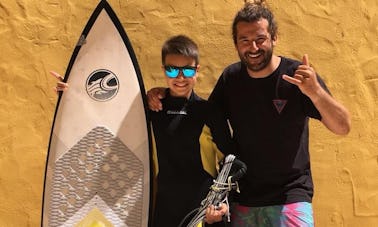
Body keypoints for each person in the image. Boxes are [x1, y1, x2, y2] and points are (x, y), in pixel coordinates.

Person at [147, 1, 351, 226]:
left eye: (260, 38)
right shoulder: (231, 79)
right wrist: (162, 94)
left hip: (290, 197)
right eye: (244, 40)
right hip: (244, 200)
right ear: (236, 44)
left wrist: (316, 93)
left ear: (274, 37)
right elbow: (202, 116)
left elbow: (342, 126)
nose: (253, 47)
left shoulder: (297, 77)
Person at [51, 35, 245, 226]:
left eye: (187, 71)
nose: (179, 77)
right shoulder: (151, 109)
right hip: (161, 208)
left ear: (197, 70)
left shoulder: (208, 112)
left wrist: (221, 205)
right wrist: (73, 93)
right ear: (163, 70)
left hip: (202, 210)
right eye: (172, 71)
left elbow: (231, 162)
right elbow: (106, 113)